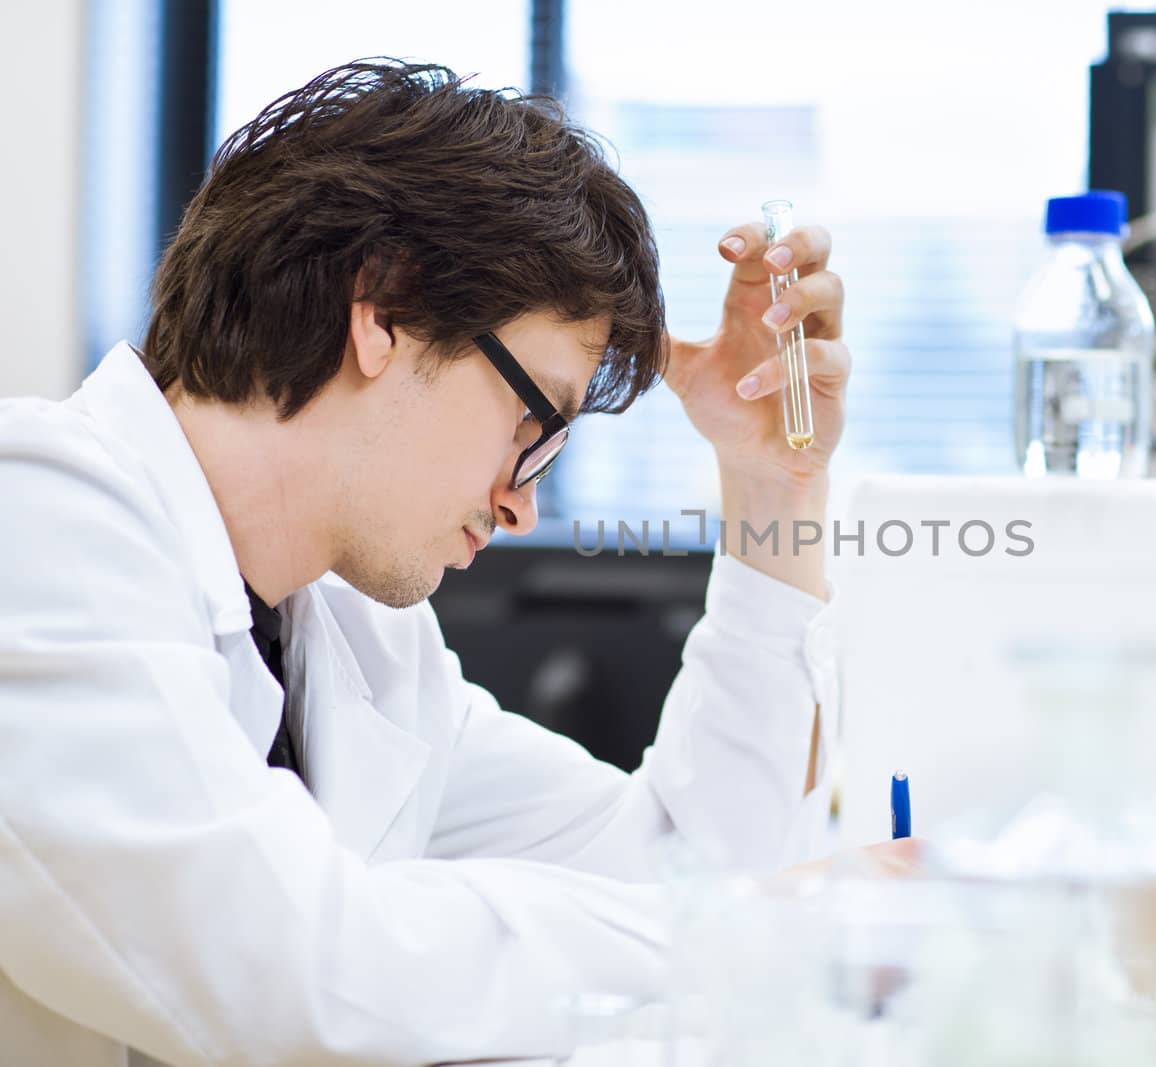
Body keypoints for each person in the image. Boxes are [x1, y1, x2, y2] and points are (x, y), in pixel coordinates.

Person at [0, 59, 906, 1066]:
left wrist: (771, 483)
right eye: (531, 420)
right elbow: (287, 971)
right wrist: (758, 926)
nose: (521, 503)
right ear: (381, 312)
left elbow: (692, 875)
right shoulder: (37, 510)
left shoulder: (355, 632)